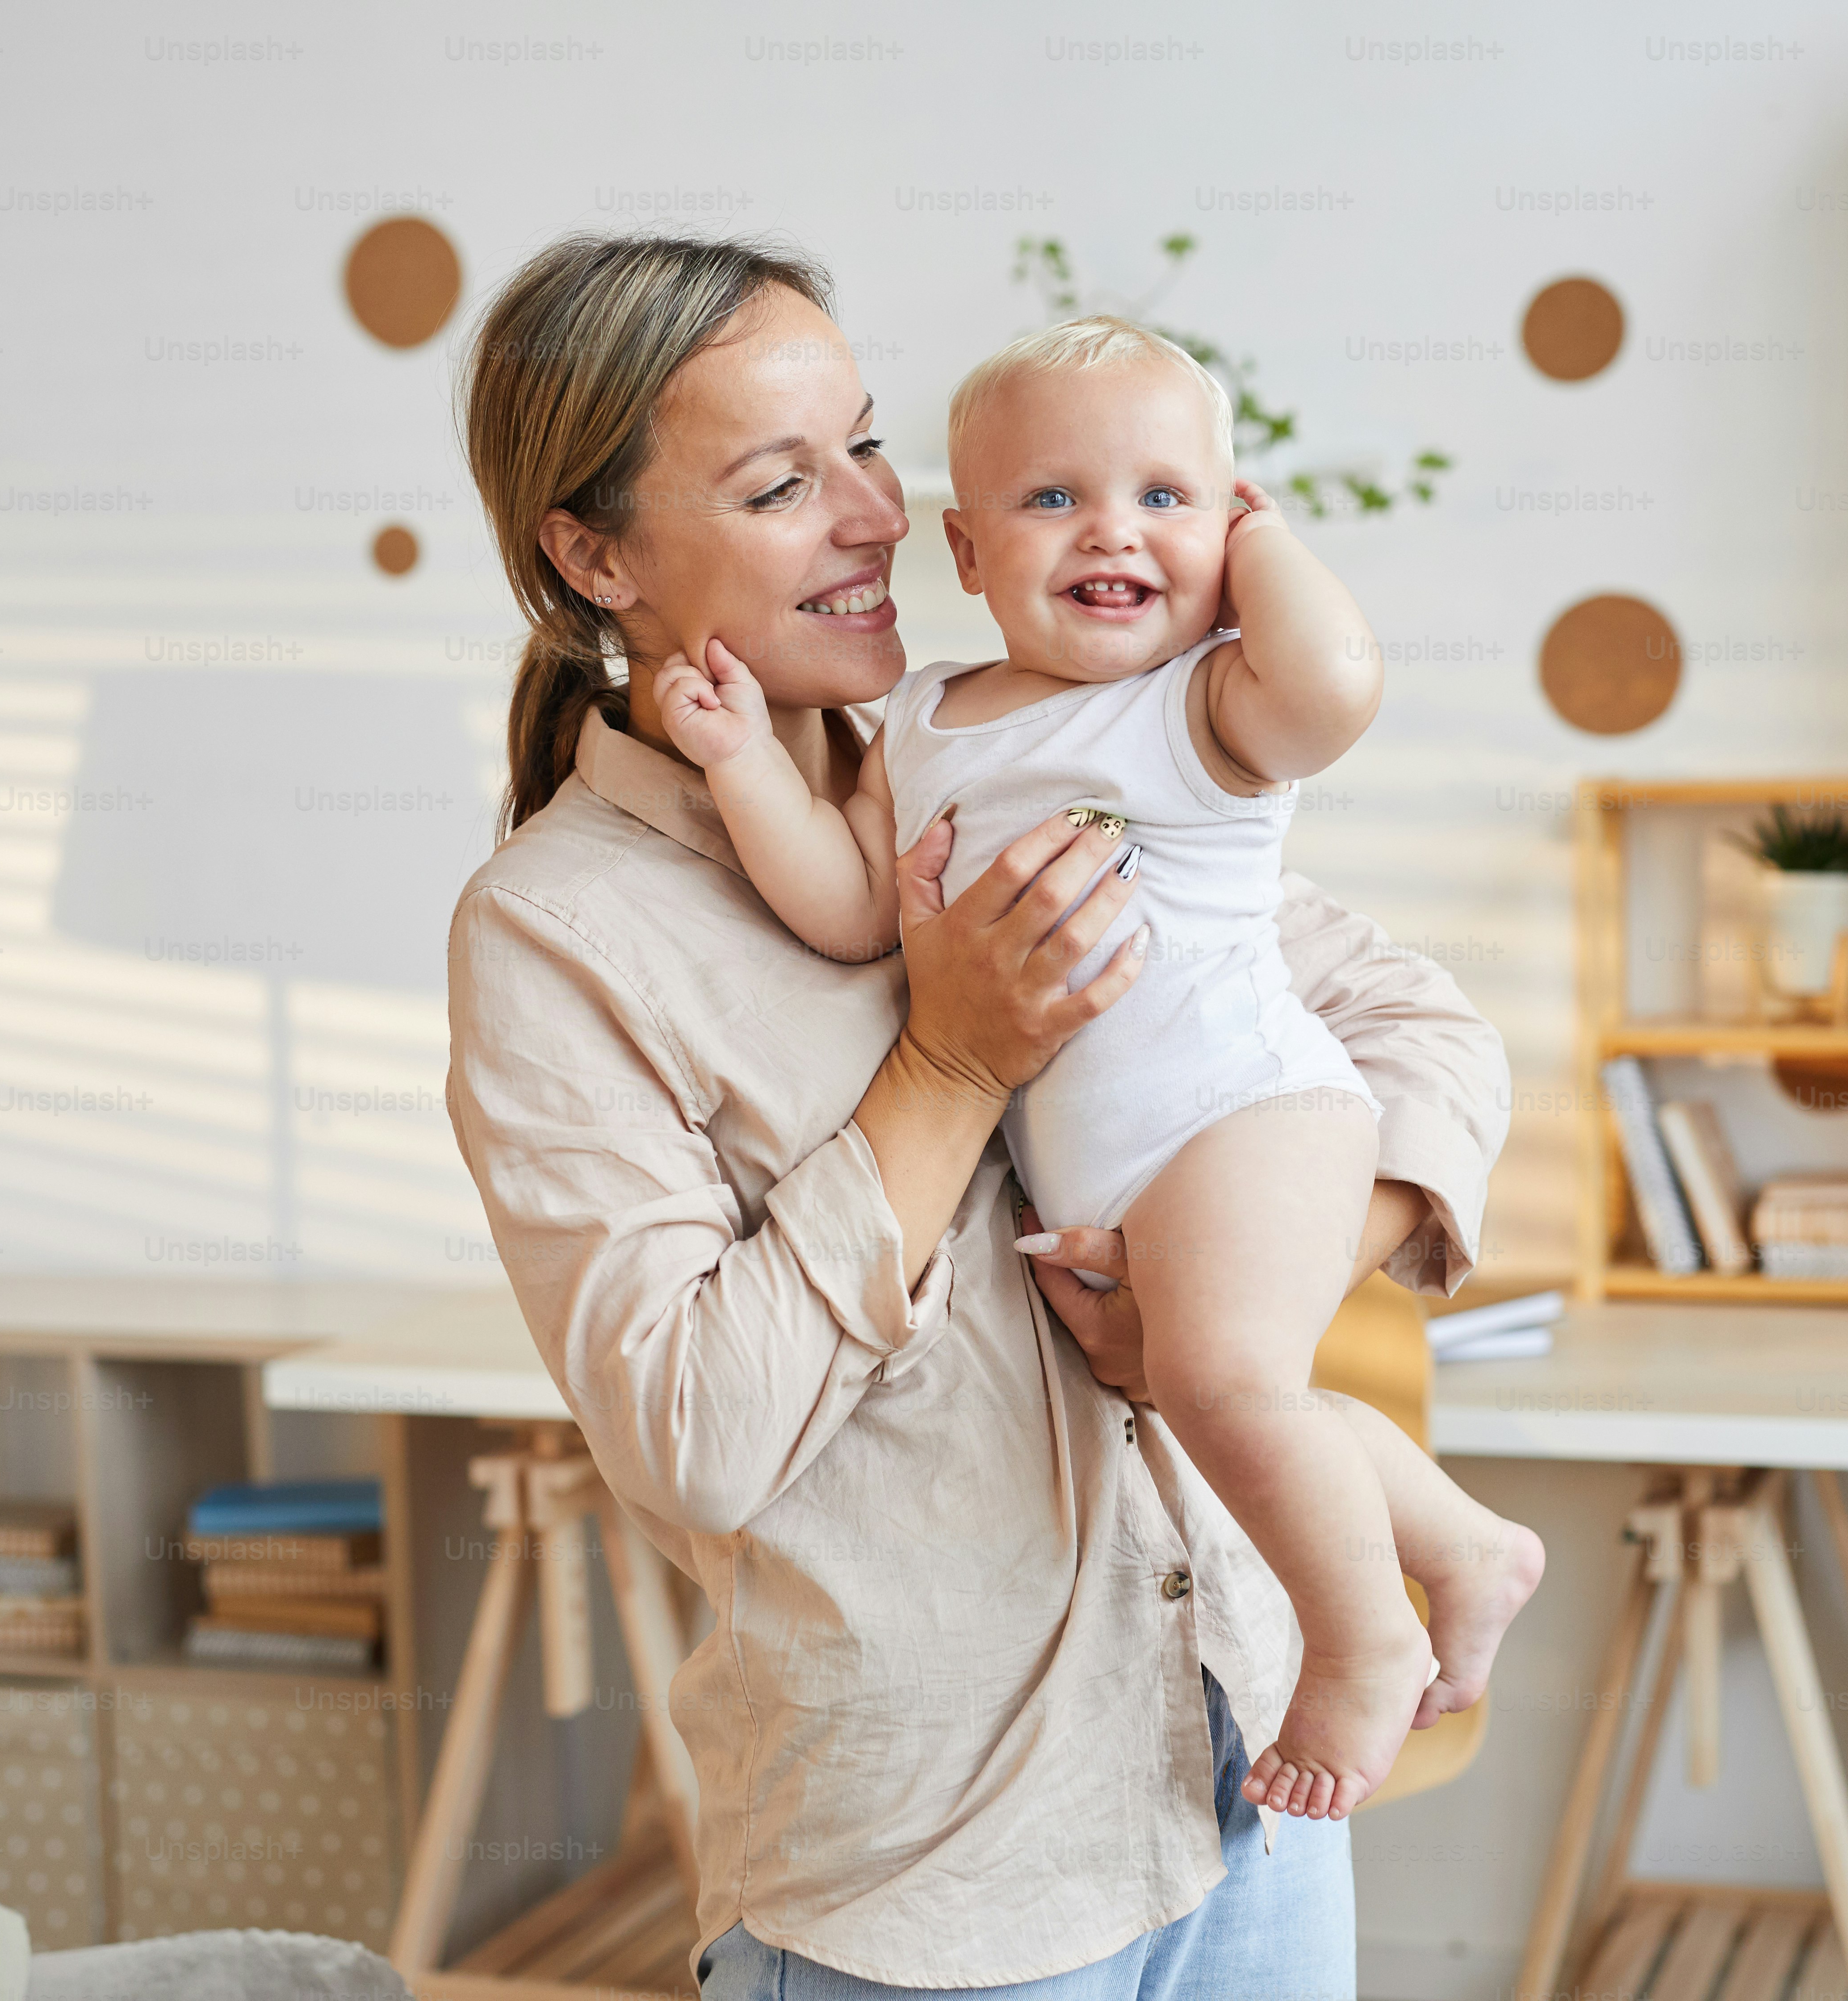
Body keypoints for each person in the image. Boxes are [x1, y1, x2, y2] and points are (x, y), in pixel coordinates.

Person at [445, 231, 1530, 2000]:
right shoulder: (565, 935)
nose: (872, 517)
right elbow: (693, 1433)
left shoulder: (1029, 760)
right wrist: (944, 1069)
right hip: (938, 1885)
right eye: (784, 483)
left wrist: (1237, 1280)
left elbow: (1413, 1025)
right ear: (595, 552)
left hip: (1238, 1778)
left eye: (866, 446)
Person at [658, 314, 1538, 1818]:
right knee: (1215, 1385)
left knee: (1216, 1374)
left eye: (1166, 499)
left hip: (1249, 1113)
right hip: (1127, 1174)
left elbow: (1333, 685)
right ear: (968, 549)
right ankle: (1459, 1541)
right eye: (1055, 500)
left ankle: (1360, 1641)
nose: (1112, 533)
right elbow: (859, 904)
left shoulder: (1202, 709)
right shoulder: (927, 720)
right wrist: (744, 767)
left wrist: (1258, 552)